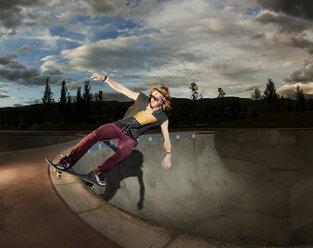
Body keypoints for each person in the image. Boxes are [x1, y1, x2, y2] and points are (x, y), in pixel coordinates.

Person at [54, 72, 172, 186]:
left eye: (156, 99)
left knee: (123, 153)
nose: (152, 100)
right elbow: (122, 89)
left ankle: (98, 172)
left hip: (130, 138)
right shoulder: (141, 98)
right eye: (152, 96)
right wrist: (105, 78)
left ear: (163, 101)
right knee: (96, 134)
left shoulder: (162, 118)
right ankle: (69, 160)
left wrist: (168, 154)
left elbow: (166, 139)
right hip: (118, 126)